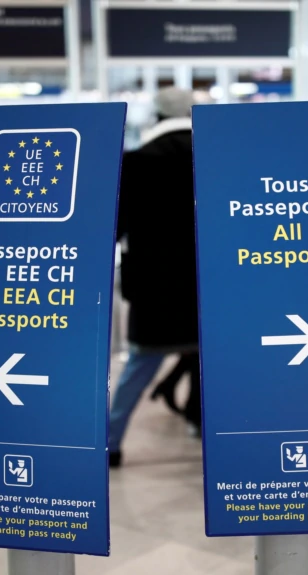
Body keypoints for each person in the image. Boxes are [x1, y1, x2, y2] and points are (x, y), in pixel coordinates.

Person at [108, 88, 200, 468]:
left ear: (157, 118)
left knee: (140, 363)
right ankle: (210, 428)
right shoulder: (213, 155)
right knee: (212, 361)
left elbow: (118, 224)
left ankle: (110, 442)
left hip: (153, 285)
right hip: (206, 284)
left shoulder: (136, 162)